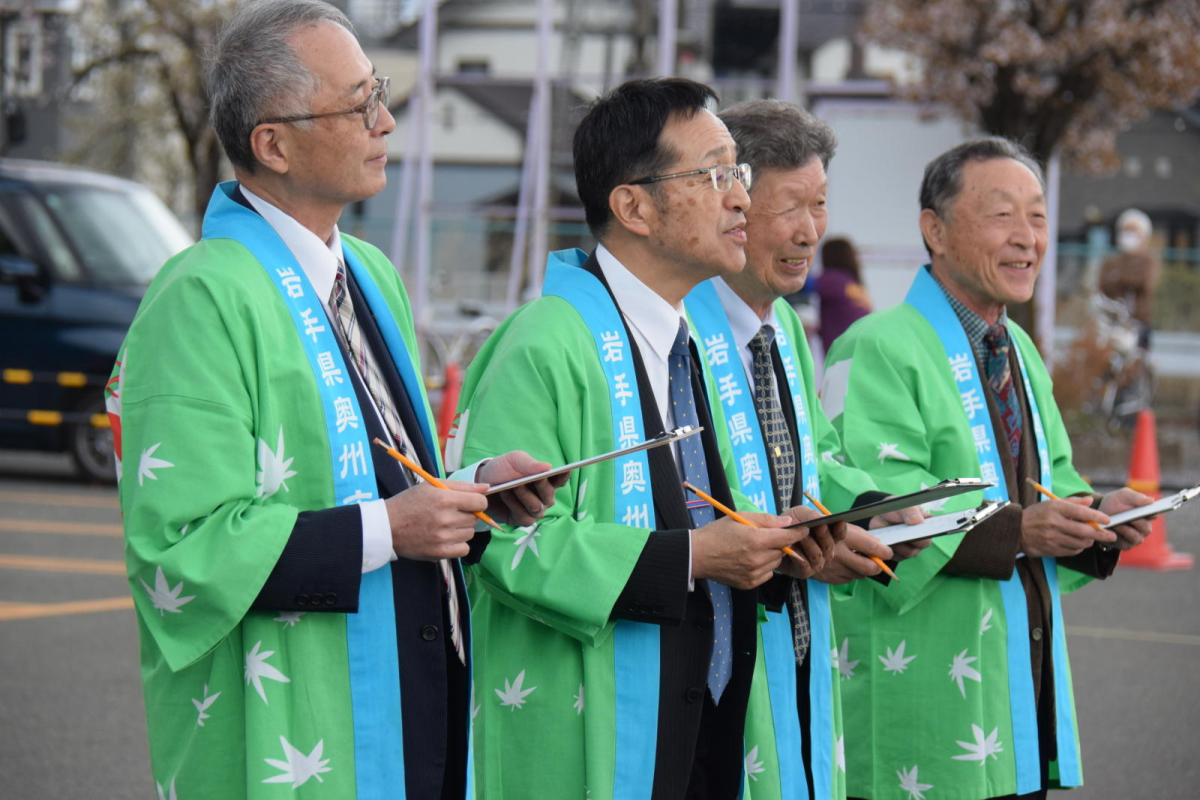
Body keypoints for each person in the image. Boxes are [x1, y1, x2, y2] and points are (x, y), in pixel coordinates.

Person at [106, 2, 561, 797]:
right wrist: (393, 527)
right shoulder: (201, 295)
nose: (385, 120)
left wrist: (475, 488)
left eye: (377, 92)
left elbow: (386, 472)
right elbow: (185, 544)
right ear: (272, 144)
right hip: (304, 715)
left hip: (418, 672)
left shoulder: (370, 271)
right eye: (358, 104)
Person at [445, 78, 830, 799]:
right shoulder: (546, 343)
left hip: (712, 714)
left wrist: (782, 533)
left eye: (737, 173)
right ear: (634, 206)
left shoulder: (692, 339)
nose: (741, 197)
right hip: (595, 732)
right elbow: (502, 537)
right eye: (716, 175)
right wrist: (690, 558)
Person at [819, 137, 1155, 800]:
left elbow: (1052, 477)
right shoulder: (877, 345)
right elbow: (879, 510)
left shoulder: (1019, 346)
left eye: (1037, 217)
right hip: (919, 699)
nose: (1027, 237)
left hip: (1010, 684)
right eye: (1003, 215)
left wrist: (1098, 515)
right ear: (933, 230)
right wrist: (1025, 531)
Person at [684, 98, 925, 800]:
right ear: (730, 204)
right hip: (716, 655)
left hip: (796, 636)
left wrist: (875, 511)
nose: (810, 231)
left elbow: (813, 458)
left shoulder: (783, 325)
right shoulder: (676, 330)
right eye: (790, 206)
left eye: (819, 205)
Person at [1098, 207, 1160, 347]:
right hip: (1112, 323)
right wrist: (1127, 279)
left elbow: (1145, 283)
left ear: (1144, 236)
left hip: (1140, 322)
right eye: (1125, 231)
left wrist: (1118, 278)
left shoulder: (1149, 260)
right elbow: (1104, 285)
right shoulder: (1110, 261)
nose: (1127, 236)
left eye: (1133, 232)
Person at [815, 237, 872, 352]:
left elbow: (799, 284)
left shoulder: (834, 279)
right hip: (862, 347)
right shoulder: (853, 284)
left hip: (842, 352)